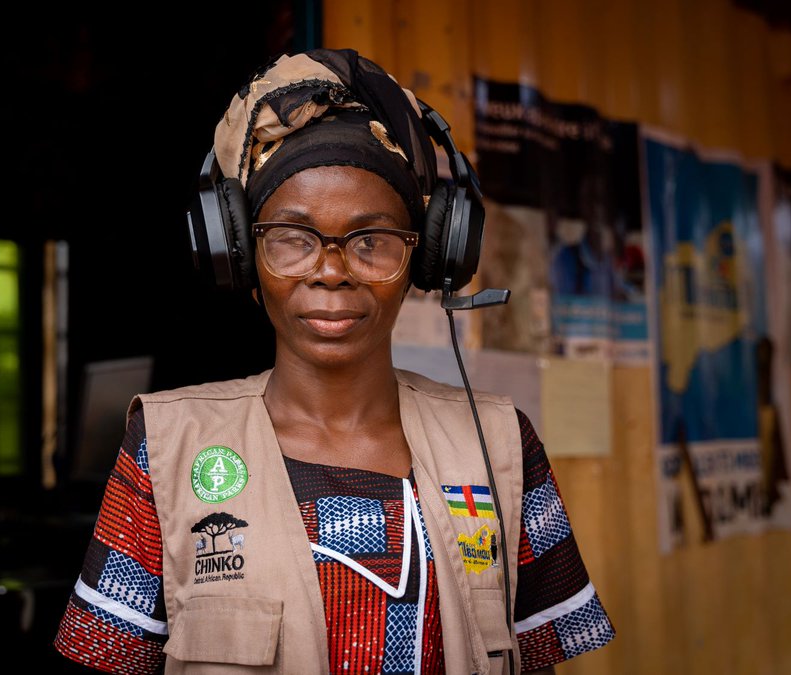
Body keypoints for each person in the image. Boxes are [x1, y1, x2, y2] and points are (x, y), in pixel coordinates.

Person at [54, 48, 614, 674]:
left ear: (428, 259)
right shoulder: (166, 446)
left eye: (371, 242)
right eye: (292, 239)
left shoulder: (502, 445)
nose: (330, 271)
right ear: (239, 256)